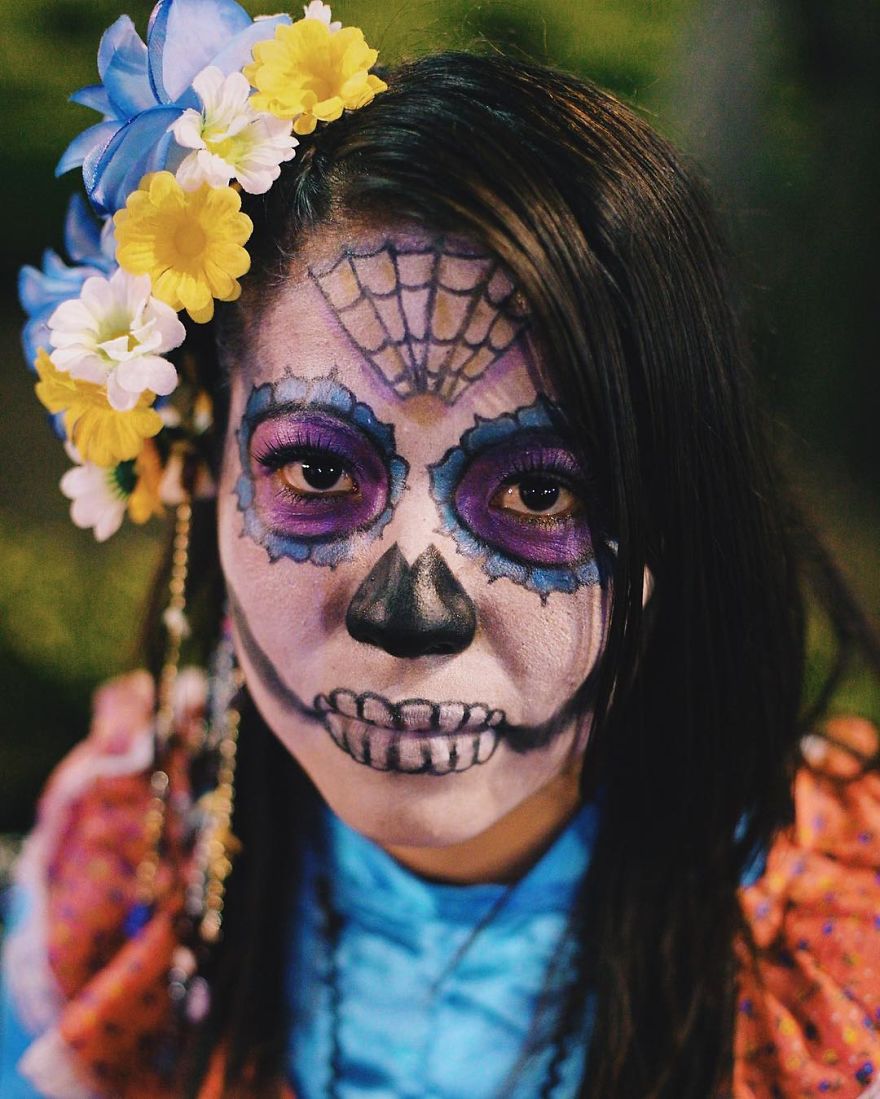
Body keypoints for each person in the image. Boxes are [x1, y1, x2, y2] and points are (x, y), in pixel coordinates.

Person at [2, 1, 879, 1096]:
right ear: (201, 471)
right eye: (316, 472)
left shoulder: (845, 960)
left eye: (539, 487)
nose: (410, 608)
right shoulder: (114, 892)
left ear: (671, 518)